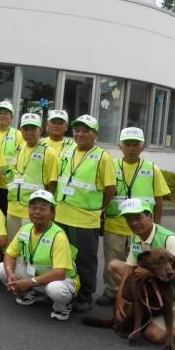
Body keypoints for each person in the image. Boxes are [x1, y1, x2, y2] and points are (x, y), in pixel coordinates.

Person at [107, 198, 175, 342]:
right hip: (162, 286)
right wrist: (120, 298)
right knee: (114, 266)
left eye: (138, 217)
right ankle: (149, 306)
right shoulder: (137, 236)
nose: (133, 223)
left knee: (153, 335)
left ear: (150, 217)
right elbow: (129, 268)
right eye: (129, 219)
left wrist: (149, 273)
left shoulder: (169, 239)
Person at [97, 127, 171, 306]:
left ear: (142, 146)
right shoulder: (111, 166)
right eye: (127, 144)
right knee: (112, 259)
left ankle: (136, 293)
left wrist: (157, 227)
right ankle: (112, 291)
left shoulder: (152, 169)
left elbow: (159, 200)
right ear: (120, 146)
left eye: (135, 144)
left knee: (141, 264)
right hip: (114, 224)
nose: (131, 148)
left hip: (142, 229)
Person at [54, 114, 115, 312]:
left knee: (85, 259)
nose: (80, 134)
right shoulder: (68, 150)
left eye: (85, 130)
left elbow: (109, 188)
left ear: (95, 134)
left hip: (85, 218)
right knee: (63, 256)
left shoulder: (102, 156)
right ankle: (66, 289)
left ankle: (85, 295)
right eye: (77, 130)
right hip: (62, 214)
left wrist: (99, 208)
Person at [0, 190, 80, 321]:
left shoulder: (58, 236)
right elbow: (9, 254)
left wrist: (29, 282)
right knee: (1, 269)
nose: (37, 212)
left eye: (43, 208)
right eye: (33, 208)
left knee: (55, 289)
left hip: (60, 280)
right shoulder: (25, 229)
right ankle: (31, 292)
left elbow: (60, 273)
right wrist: (10, 274)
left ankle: (63, 305)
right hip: (36, 276)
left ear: (52, 213)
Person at [6, 113, 59, 240]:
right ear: (21, 130)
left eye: (32, 128)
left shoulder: (48, 152)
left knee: (28, 247)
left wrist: (47, 209)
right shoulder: (19, 148)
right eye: (25, 128)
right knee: (11, 246)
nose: (28, 132)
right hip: (13, 209)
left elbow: (53, 183)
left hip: (33, 211)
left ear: (40, 130)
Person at [0, 101, 24, 215]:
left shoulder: (18, 135)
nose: (2, 115)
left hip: (8, 185)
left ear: (12, 117)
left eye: (6, 113)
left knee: (5, 216)